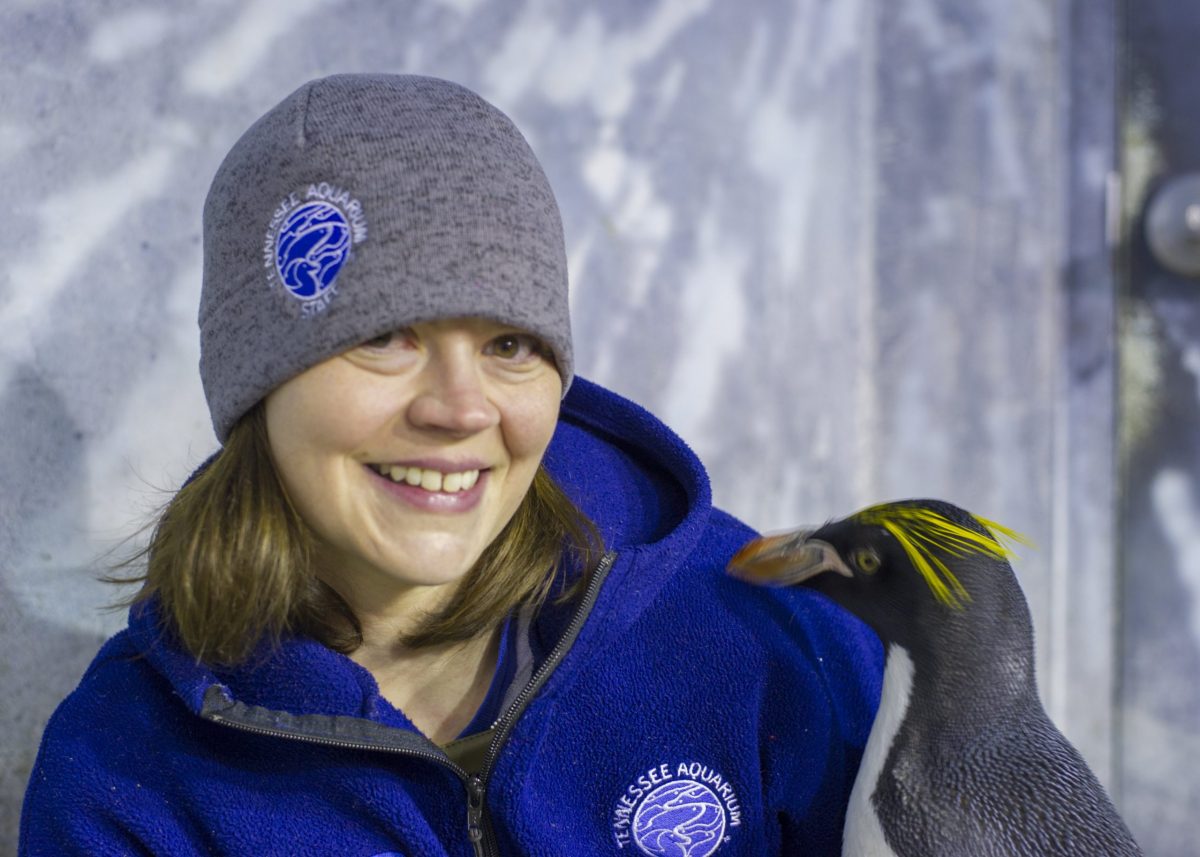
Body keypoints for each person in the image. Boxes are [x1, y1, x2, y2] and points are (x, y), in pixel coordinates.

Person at [20, 73, 882, 857]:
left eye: (509, 344)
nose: (462, 409)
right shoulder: (125, 775)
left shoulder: (762, 635)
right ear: (258, 385)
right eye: (384, 336)